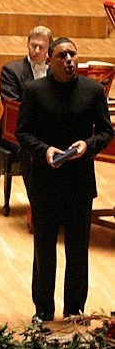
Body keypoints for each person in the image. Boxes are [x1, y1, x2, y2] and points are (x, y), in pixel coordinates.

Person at [17, 37, 114, 321]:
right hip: (46, 181)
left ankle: (74, 308)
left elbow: (106, 132)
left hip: (80, 183)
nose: (69, 59)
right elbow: (23, 133)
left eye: (72, 54)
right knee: (44, 250)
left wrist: (87, 146)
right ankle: (43, 309)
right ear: (50, 61)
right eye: (62, 55)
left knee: (77, 250)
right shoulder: (34, 91)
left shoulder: (93, 90)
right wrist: (45, 150)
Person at [0, 26, 51, 180]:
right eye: (34, 45)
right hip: (17, 131)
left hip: (48, 129)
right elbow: (11, 104)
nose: (37, 50)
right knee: (33, 148)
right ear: (28, 44)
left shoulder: (54, 72)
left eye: (42, 47)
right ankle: (36, 197)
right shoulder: (12, 71)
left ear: (49, 48)